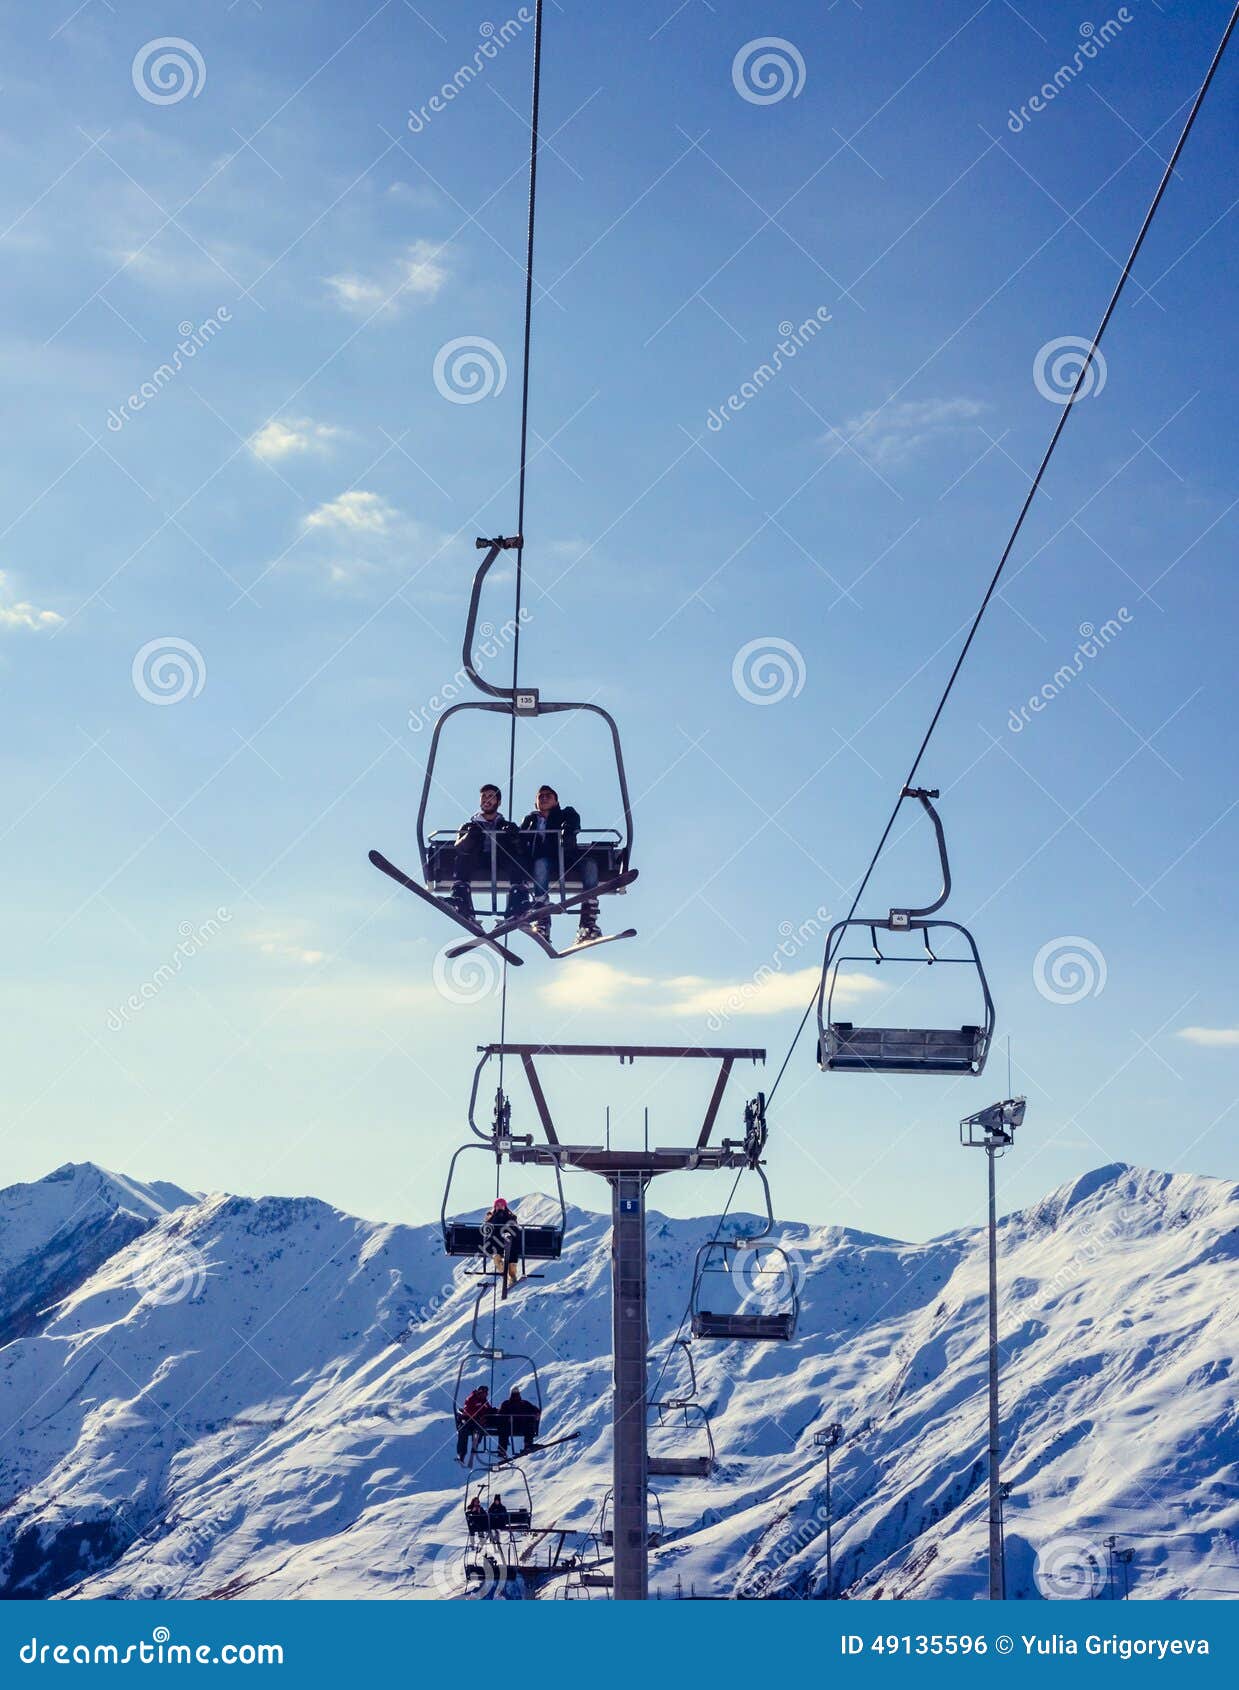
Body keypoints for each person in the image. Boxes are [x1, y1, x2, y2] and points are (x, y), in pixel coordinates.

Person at [518, 785, 601, 944]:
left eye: (548, 795)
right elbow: (521, 839)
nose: (544, 798)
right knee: (540, 864)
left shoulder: (566, 813)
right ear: (536, 803)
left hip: (566, 856)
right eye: (540, 796)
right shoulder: (530, 820)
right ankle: (542, 918)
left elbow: (573, 822)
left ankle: (587, 922)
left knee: (589, 864)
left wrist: (568, 831)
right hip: (543, 858)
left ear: (556, 801)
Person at [450, 784, 529, 924]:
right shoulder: (469, 826)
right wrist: (470, 836)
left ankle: (517, 904)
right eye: (484, 796)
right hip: (478, 858)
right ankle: (461, 900)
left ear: (498, 802)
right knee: (463, 858)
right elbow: (460, 848)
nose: (487, 800)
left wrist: (514, 837)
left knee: (515, 860)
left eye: (491, 797)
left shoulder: (507, 825)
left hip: (500, 860)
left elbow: (521, 849)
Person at [483, 1197, 521, 1289]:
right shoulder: (491, 1219)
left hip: (509, 1243)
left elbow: (515, 1229)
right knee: (497, 1257)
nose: (500, 1207)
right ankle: (506, 1275)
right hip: (495, 1244)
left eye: (502, 1205)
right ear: (495, 1207)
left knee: (512, 1256)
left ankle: (512, 1275)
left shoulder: (510, 1218)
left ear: (505, 1206)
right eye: (498, 1205)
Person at [497, 1385, 541, 1458]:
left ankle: (528, 1445)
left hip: (521, 1426)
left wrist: (537, 1413)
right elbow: (500, 1415)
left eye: (517, 1394)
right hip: (510, 1427)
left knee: (529, 1424)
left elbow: (535, 1409)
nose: (516, 1396)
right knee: (503, 1428)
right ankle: (502, 1450)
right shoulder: (506, 1404)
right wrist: (507, 1419)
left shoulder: (524, 1403)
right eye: (514, 1394)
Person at [457, 1383, 491, 1464]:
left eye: (486, 1394)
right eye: (484, 1393)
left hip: (477, 1421)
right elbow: (468, 1411)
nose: (485, 1395)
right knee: (463, 1431)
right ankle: (461, 1454)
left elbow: (487, 1408)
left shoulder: (483, 1400)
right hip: (469, 1420)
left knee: (480, 1429)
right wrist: (479, 1416)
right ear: (479, 1393)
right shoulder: (471, 1399)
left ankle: (475, 1446)